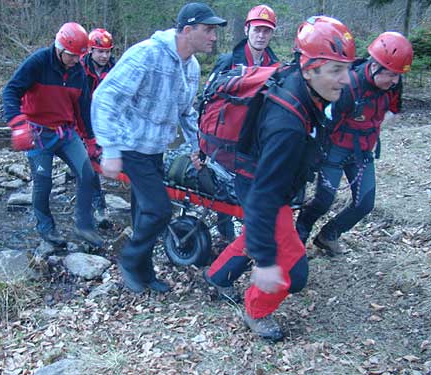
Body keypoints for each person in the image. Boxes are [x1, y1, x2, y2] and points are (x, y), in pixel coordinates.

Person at [203, 16, 356, 341]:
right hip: (260, 185)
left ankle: (217, 275)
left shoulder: (300, 82)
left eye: (347, 68)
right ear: (309, 67)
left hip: (270, 180)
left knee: (271, 239)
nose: (346, 80)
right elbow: (262, 197)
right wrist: (266, 261)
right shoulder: (286, 122)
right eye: (335, 70)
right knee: (294, 273)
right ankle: (255, 311)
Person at [91, 2, 227, 293]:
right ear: (187, 30)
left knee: (144, 213)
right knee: (160, 210)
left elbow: (186, 112)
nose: (213, 37)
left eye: (214, 31)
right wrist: (110, 149)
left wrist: (196, 147)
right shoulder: (147, 54)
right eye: (208, 30)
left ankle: (145, 273)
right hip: (129, 146)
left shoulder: (190, 66)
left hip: (155, 149)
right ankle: (129, 260)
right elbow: (105, 98)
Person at [295, 32, 413, 255]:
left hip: (363, 151)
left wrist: (372, 126)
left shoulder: (394, 85)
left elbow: (394, 110)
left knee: (364, 203)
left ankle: (328, 235)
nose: (395, 81)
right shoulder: (348, 86)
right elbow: (325, 121)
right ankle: (300, 232)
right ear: (376, 66)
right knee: (324, 200)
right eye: (391, 75)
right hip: (335, 150)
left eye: (398, 76)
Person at [2, 22, 105, 249]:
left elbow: (83, 108)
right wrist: (18, 124)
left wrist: (90, 139)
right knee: (43, 184)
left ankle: (84, 224)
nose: (76, 60)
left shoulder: (78, 70)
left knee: (87, 174)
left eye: (79, 56)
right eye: (71, 56)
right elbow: (10, 91)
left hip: (66, 133)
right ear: (59, 48)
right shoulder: (38, 63)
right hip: (37, 133)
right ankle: (46, 228)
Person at [205, 4, 279, 242]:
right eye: (257, 30)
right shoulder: (228, 62)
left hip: (256, 142)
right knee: (222, 188)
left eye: (266, 31)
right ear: (247, 30)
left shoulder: (277, 66)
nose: (261, 35)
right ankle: (226, 236)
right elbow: (206, 101)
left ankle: (249, 240)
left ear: (272, 34)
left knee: (251, 190)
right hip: (226, 137)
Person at [80, 28, 116, 225]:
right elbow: (79, 102)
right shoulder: (80, 68)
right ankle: (99, 204)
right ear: (90, 51)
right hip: (83, 117)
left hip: (106, 119)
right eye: (100, 51)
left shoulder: (116, 68)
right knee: (88, 164)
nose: (104, 56)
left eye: (107, 52)